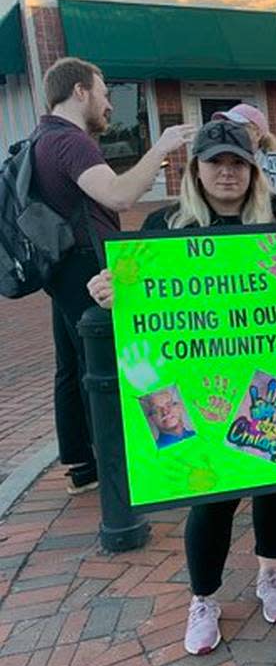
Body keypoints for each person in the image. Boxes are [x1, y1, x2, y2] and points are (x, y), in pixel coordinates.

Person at [87, 118, 276, 655]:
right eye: (217, 162)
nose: (228, 172)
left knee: (275, 480)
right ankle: (204, 597)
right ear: (197, 168)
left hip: (268, 376)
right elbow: (137, 309)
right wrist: (108, 292)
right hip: (196, 384)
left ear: (253, 170)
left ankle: (270, 574)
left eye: (238, 162)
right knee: (210, 497)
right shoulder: (164, 227)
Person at [31, 57, 195, 495]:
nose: (109, 105)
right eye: (104, 93)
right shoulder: (71, 141)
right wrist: (161, 149)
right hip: (88, 267)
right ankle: (124, 472)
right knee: (107, 365)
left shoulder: (41, 138)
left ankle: (85, 466)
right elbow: (119, 196)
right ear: (80, 92)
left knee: (72, 365)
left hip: (62, 268)